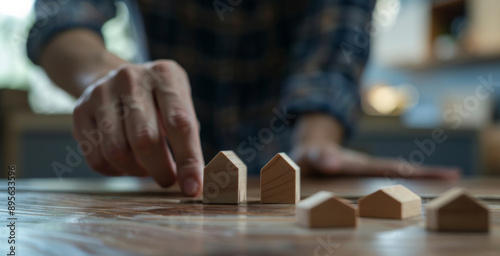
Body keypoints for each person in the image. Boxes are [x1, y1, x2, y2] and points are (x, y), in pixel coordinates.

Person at [27, 0, 459, 197]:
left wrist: (317, 142)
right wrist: (105, 77)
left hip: (286, 173)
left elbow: (335, 45)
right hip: (163, 179)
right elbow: (61, 15)